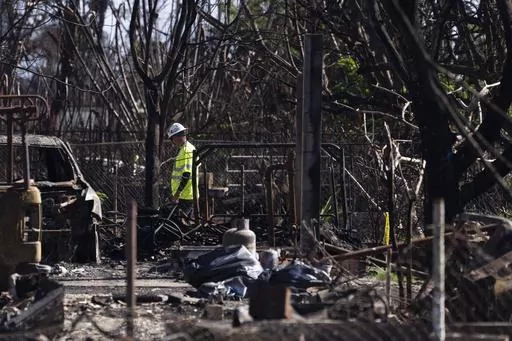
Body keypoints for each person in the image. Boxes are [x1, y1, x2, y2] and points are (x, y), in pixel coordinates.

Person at [168, 122, 197, 220]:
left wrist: (177, 194)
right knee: (187, 224)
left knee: (179, 223)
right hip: (185, 194)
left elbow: (186, 173)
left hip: (185, 195)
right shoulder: (185, 149)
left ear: (176, 137)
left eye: (172, 139)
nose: (173, 142)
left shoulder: (187, 150)